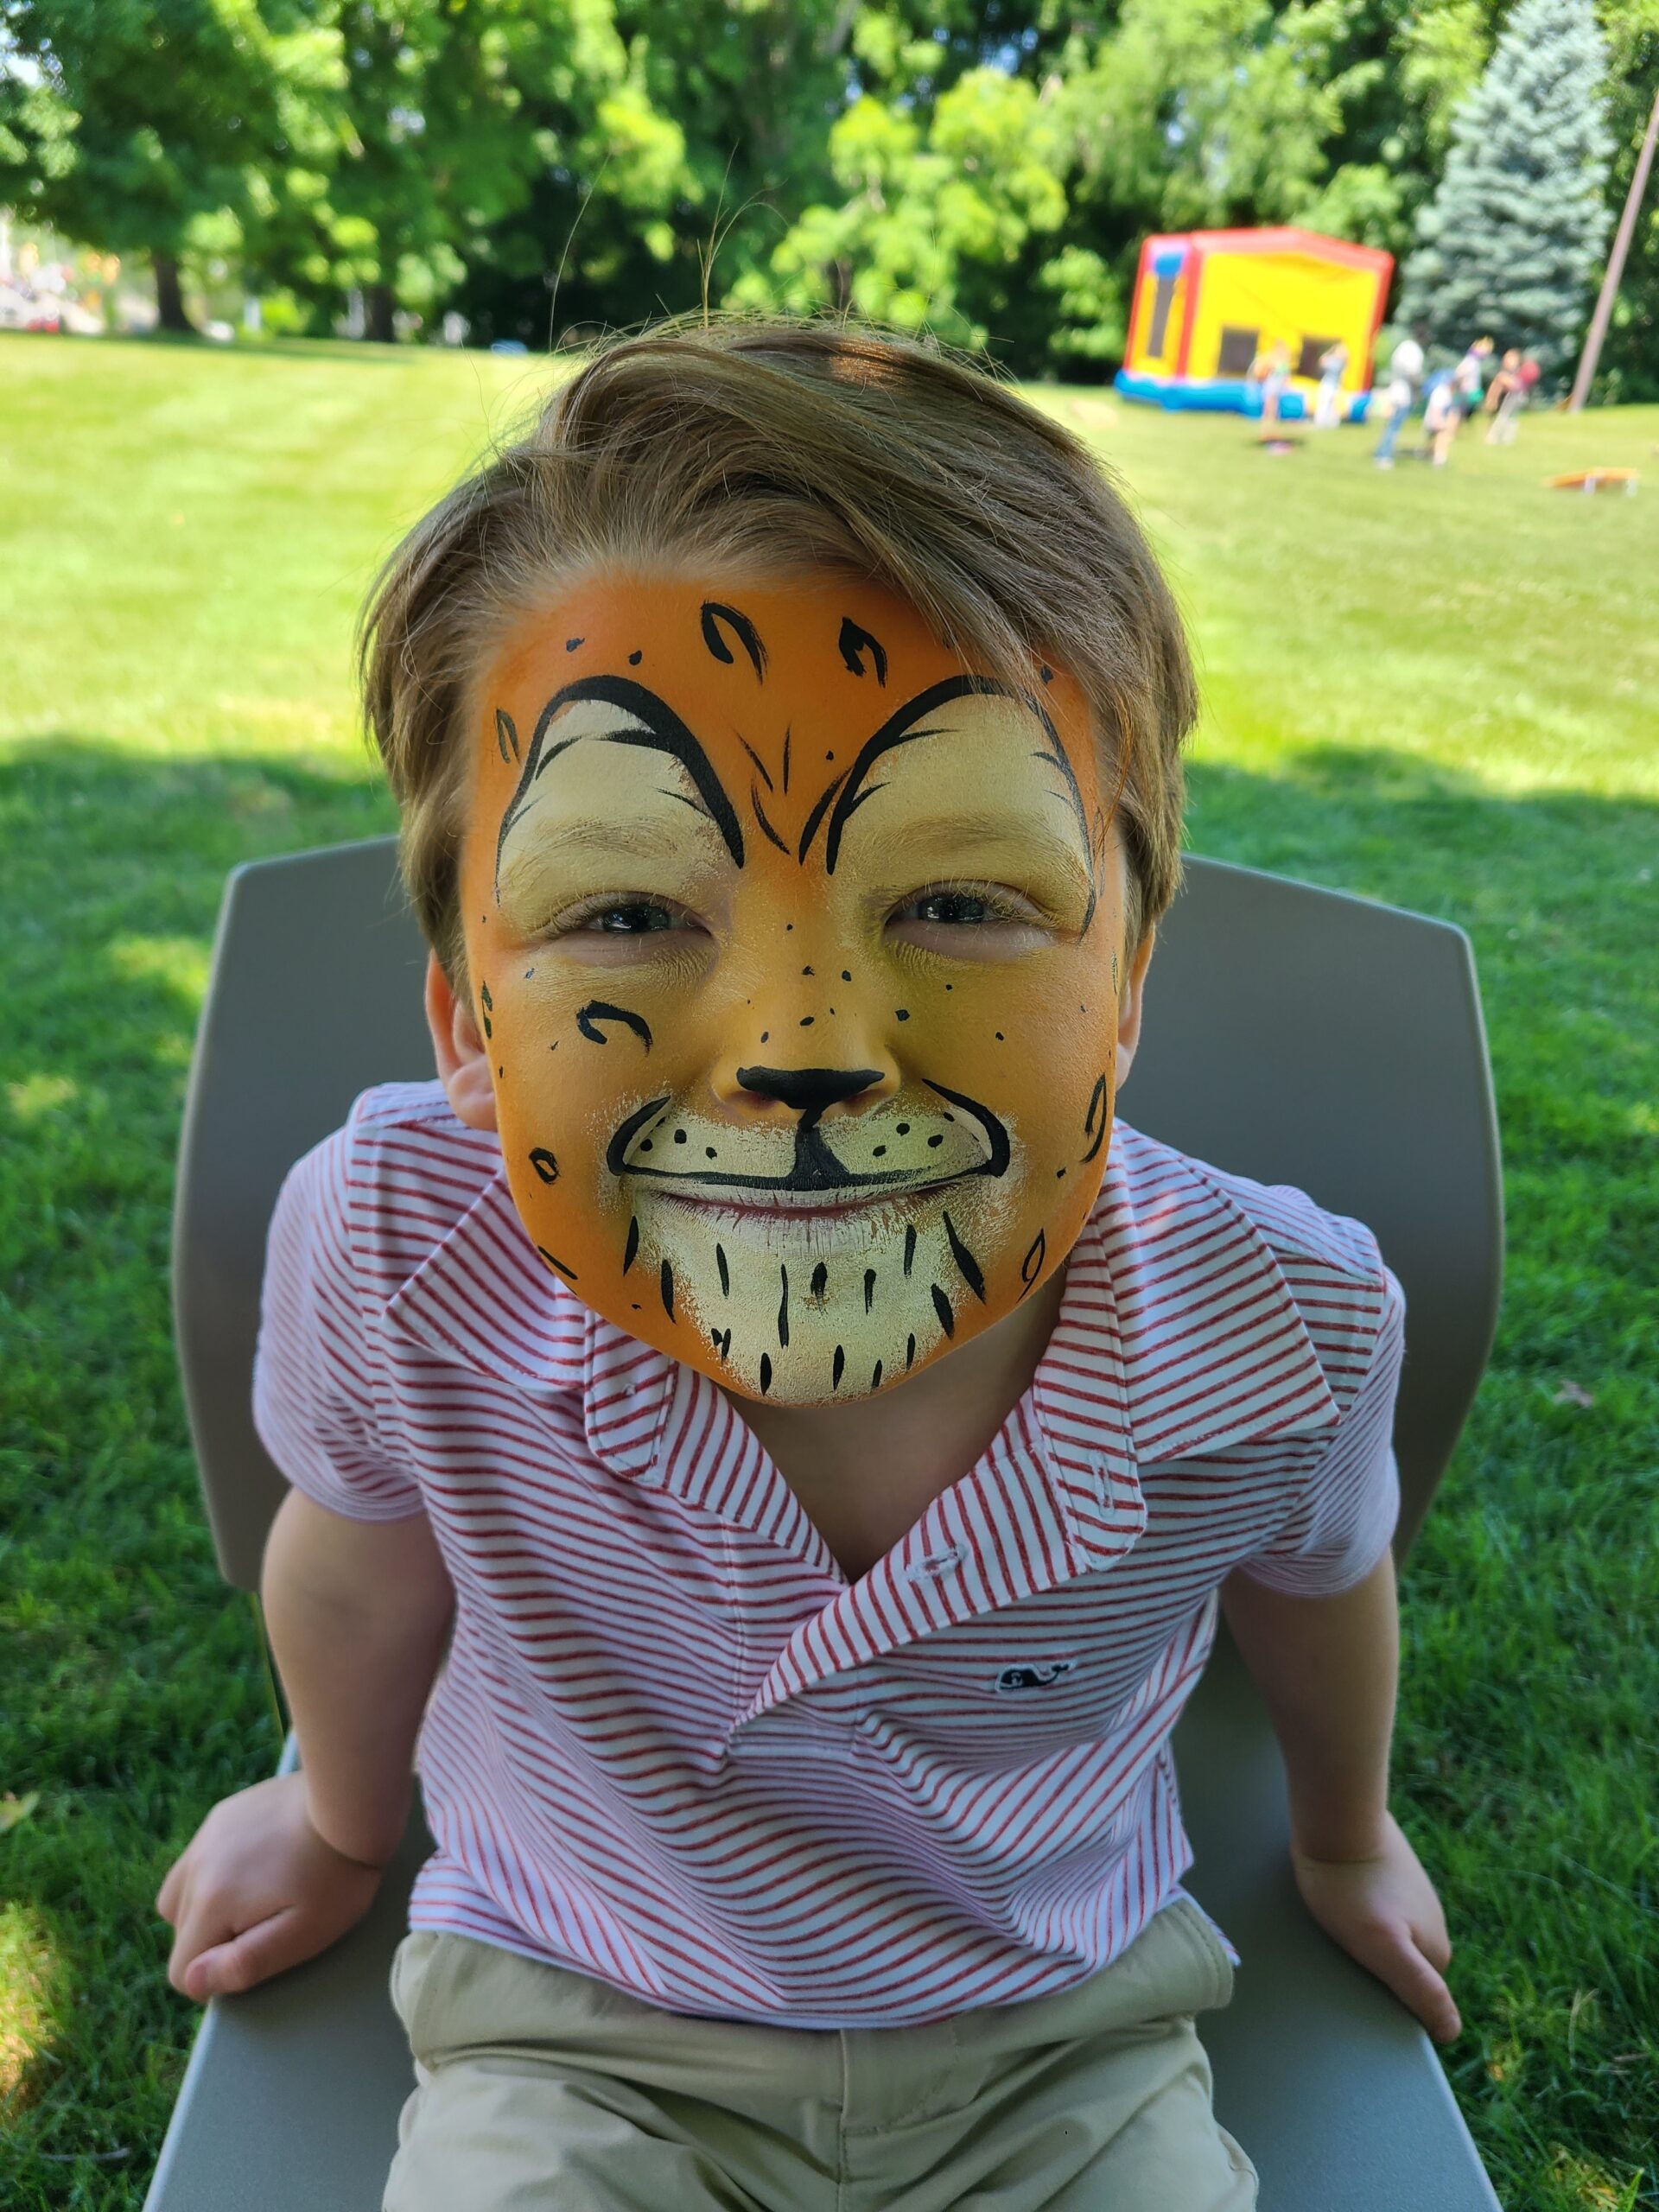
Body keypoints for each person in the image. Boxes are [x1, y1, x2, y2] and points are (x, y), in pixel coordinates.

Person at [155, 318, 1459, 2212]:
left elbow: (1324, 1583)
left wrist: (1344, 1838)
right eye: (625, 909)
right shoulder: (393, 1239)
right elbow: (356, 1564)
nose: (804, 1050)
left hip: (1063, 2023)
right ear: (464, 1022)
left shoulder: (1282, 1324)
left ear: (1127, 978)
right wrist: (337, 1818)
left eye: (960, 900)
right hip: (576, 2009)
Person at [1372, 327, 1425, 467]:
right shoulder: (1413, 350)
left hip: (1395, 391)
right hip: (1404, 395)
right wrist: (1419, 389)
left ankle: (1382, 452)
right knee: (1394, 427)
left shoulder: (1403, 347)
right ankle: (1384, 455)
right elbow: (1413, 373)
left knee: (1390, 426)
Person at [1487, 350, 1538, 445]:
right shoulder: (1515, 372)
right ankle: (1506, 440)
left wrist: (1505, 380)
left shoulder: (1516, 372)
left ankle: (1494, 438)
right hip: (1519, 396)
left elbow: (1515, 385)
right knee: (1511, 418)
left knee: (1504, 416)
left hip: (1515, 396)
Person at [1421, 368, 1463, 466]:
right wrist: (1439, 422)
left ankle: (1429, 455)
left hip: (1439, 419)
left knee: (1434, 440)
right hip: (1435, 420)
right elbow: (1436, 409)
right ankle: (1439, 459)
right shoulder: (1441, 393)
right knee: (1441, 438)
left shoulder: (1448, 393)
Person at [1314, 337, 1350, 428]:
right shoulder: (1335, 360)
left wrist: (1330, 352)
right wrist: (1330, 352)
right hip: (1328, 384)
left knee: (1331, 404)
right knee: (1325, 403)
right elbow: (1322, 361)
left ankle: (1328, 421)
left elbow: (1322, 361)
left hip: (1333, 385)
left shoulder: (1339, 362)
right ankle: (1321, 421)